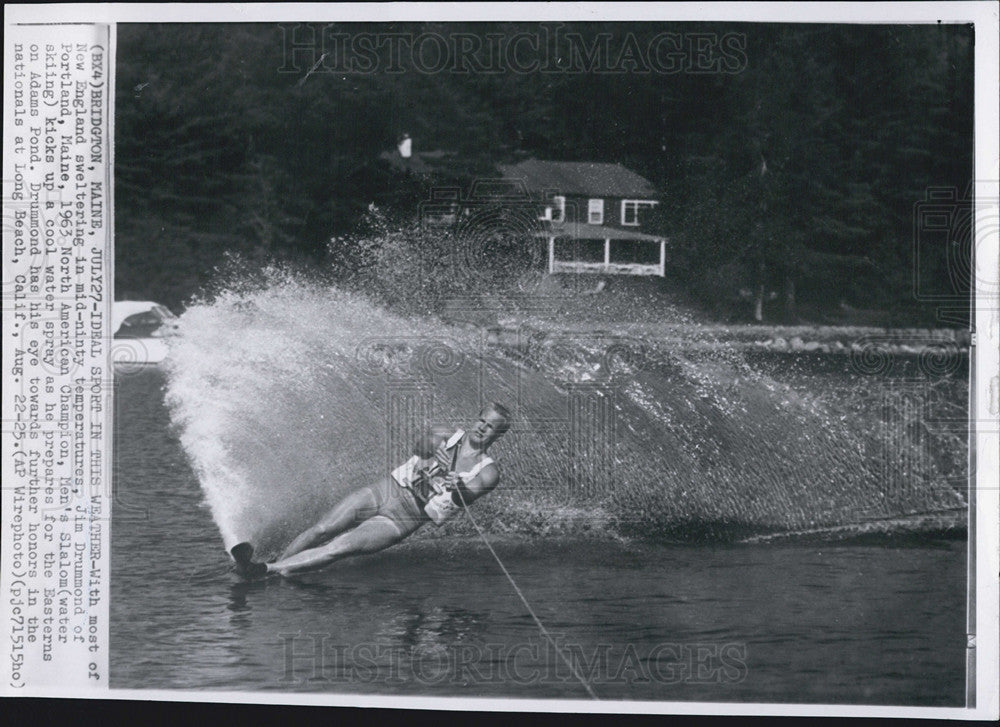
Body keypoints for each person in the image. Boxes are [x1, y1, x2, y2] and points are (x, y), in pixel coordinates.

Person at [231, 402, 511, 579]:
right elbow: (419, 447)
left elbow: (468, 493)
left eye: (491, 428)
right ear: (476, 419)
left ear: (498, 436)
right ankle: (275, 569)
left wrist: (456, 486)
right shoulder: (446, 433)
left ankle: (266, 570)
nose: (482, 429)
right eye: (481, 421)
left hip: (401, 519)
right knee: (321, 530)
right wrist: (431, 452)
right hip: (383, 492)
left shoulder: (488, 471)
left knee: (337, 548)